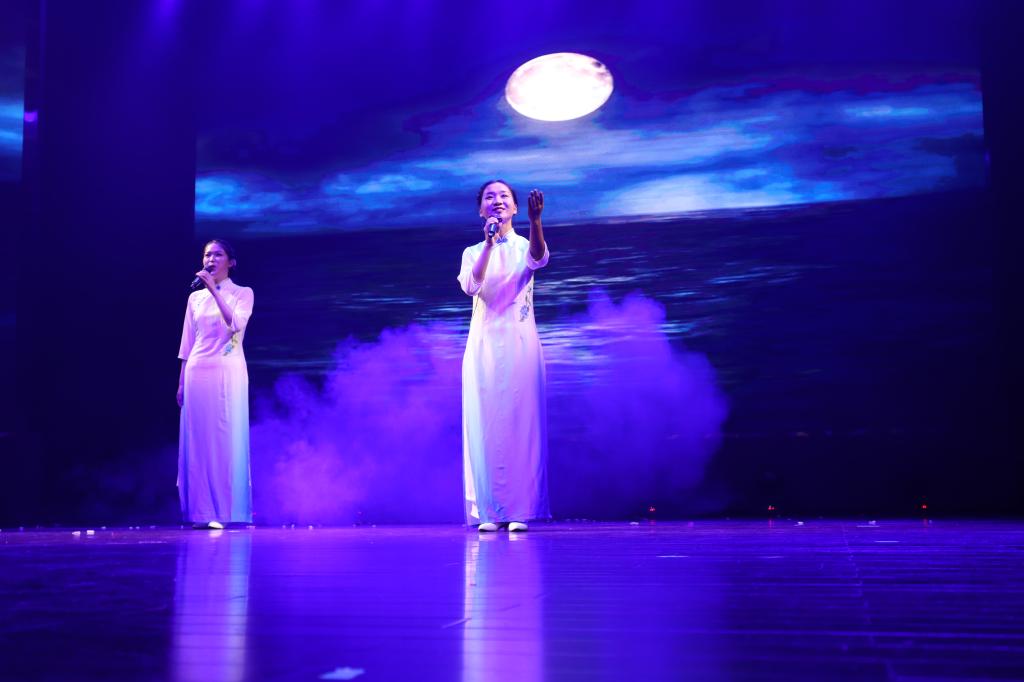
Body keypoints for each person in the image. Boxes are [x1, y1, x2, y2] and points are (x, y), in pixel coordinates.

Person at [457, 180, 550, 532]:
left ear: (514, 208)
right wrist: (488, 244)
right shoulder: (472, 251)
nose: (497, 201)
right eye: (489, 197)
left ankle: (520, 509)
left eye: (504, 197)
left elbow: (538, 259)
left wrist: (536, 222)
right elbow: (472, 286)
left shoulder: (525, 244)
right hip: (483, 345)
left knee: (521, 422)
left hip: (519, 343)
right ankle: (489, 511)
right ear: (480, 210)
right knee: (485, 424)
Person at [177, 239, 254, 529]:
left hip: (227, 371)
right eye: (207, 255)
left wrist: (213, 290)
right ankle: (201, 512)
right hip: (197, 371)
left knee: (225, 436)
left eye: (217, 255)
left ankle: (228, 510)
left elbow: (235, 324)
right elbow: (187, 343)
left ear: (230, 262)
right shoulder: (194, 299)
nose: (210, 259)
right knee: (199, 440)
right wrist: (181, 383)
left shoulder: (242, 293)